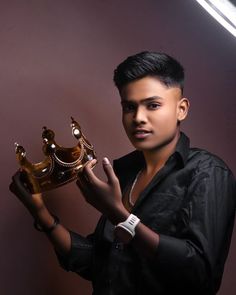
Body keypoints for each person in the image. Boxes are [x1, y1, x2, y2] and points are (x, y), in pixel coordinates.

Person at [10, 51, 236, 295]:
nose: (138, 118)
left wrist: (118, 214)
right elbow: (100, 264)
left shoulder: (207, 172)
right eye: (129, 107)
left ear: (181, 109)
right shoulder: (124, 172)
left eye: (153, 105)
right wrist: (41, 213)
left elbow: (201, 275)